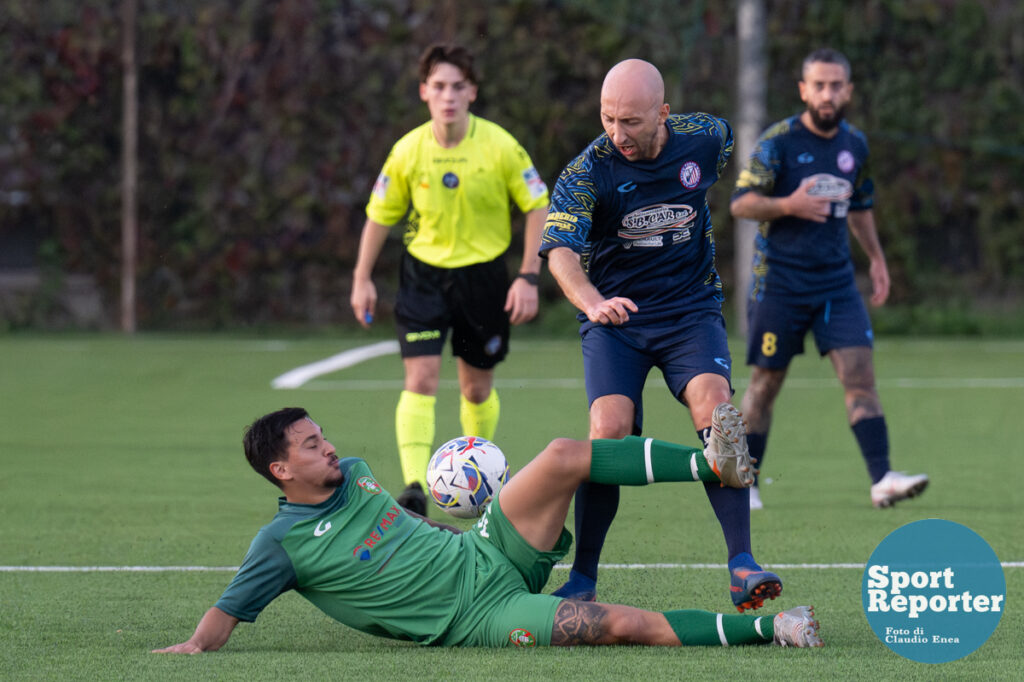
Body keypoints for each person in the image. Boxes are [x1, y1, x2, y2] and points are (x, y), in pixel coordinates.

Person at [152, 406, 823, 652]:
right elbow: (224, 615)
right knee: (622, 624)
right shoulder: (282, 545)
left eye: (322, 437)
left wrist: (447, 524)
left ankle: (714, 465)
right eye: (309, 446)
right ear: (279, 469)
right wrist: (189, 648)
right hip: (481, 613)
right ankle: (774, 628)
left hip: (484, 548)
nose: (328, 448)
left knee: (563, 453)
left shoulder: (355, 472)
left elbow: (392, 531)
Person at [539, 59, 779, 613]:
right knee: (608, 431)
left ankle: (742, 564)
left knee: (718, 411)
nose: (617, 134)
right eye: (607, 119)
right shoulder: (586, 172)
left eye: (631, 121)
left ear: (663, 114)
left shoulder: (707, 138)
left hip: (690, 311)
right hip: (616, 319)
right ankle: (582, 580)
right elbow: (561, 257)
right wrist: (594, 302)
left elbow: (719, 154)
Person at [350, 44, 550, 516]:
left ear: (472, 92)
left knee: (475, 389)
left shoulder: (500, 145)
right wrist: (361, 277)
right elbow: (380, 216)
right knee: (419, 377)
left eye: (458, 86)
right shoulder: (408, 150)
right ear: (424, 92)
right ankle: (415, 488)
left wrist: (527, 276)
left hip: (484, 278)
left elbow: (538, 204)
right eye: (438, 86)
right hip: (422, 277)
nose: (448, 96)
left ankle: (477, 475)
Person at [730, 48, 928, 510]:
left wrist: (876, 258)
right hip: (779, 283)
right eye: (818, 85)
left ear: (849, 91)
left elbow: (860, 206)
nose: (827, 93)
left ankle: (882, 479)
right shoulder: (777, 142)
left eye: (836, 85)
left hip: (836, 284)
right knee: (765, 383)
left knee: (860, 377)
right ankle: (746, 481)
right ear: (803, 90)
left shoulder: (854, 144)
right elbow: (741, 203)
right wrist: (787, 206)